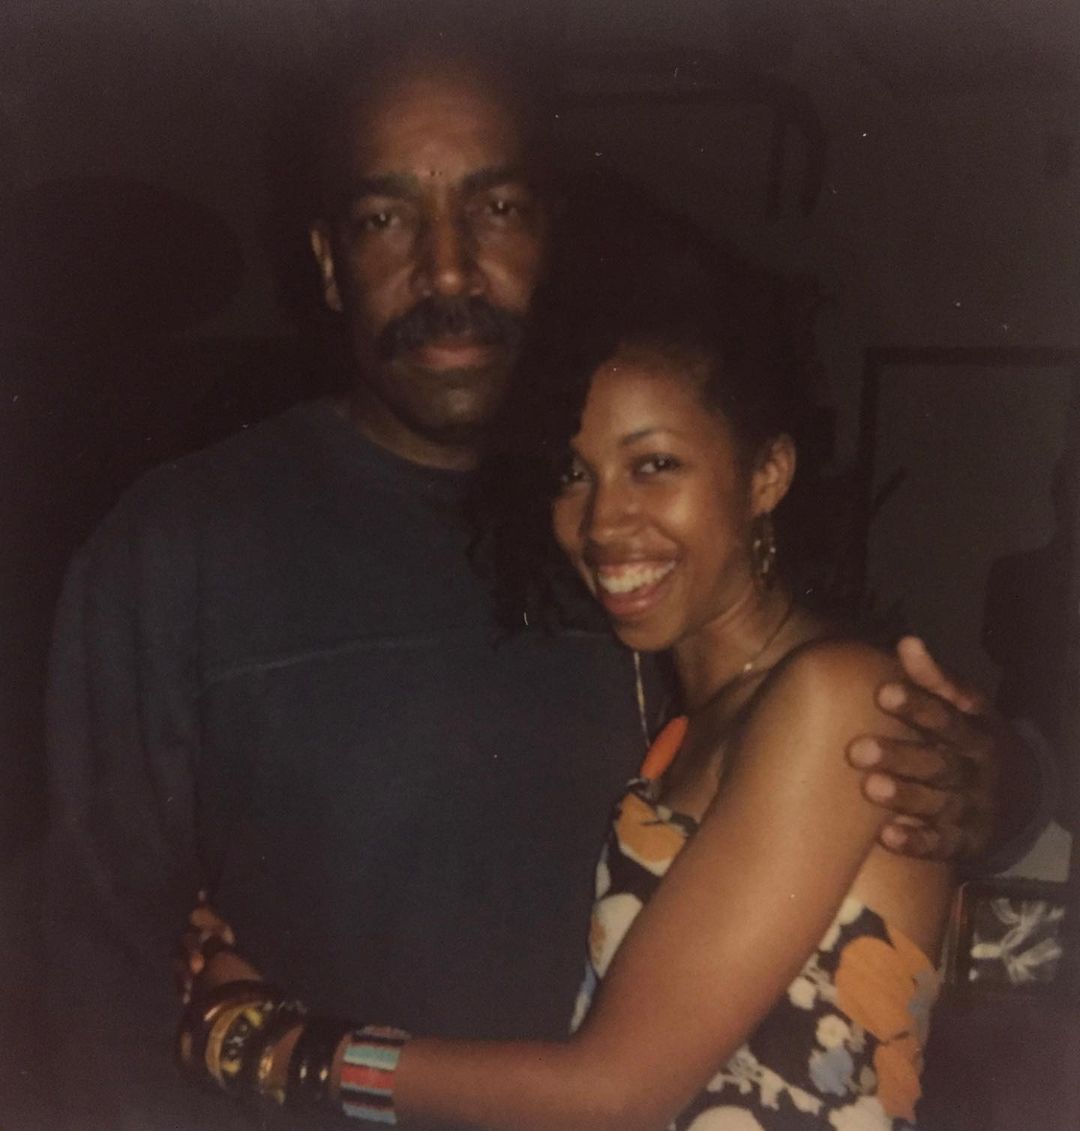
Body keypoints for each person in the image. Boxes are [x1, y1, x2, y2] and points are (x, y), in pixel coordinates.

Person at [40, 37, 1029, 1131]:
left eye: (497, 208)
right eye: (386, 218)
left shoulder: (630, 564)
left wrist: (997, 784)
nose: (447, 270)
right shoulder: (183, 541)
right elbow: (89, 954)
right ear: (327, 261)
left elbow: (839, 764)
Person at [176, 214, 953, 1129]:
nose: (603, 522)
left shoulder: (836, 696)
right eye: (574, 475)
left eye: (654, 464)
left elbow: (612, 1094)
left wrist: (276, 1049)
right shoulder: (679, 718)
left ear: (767, 475)